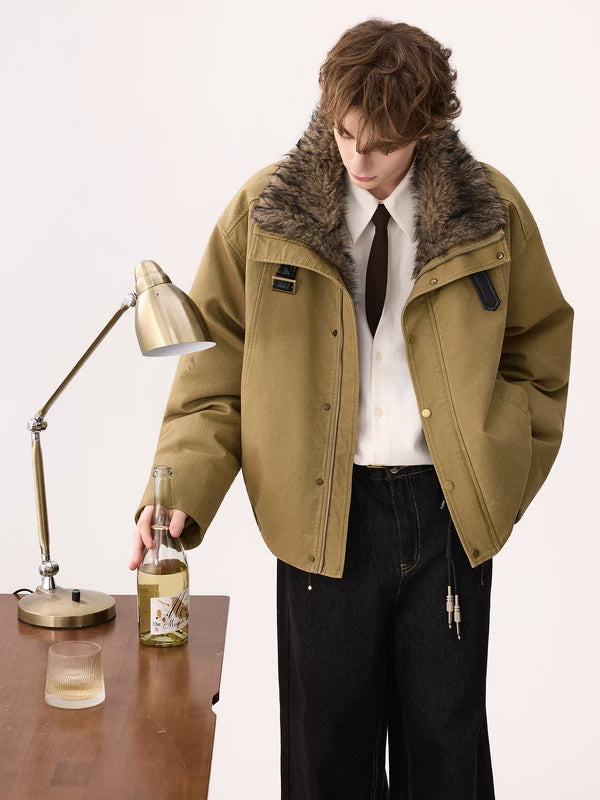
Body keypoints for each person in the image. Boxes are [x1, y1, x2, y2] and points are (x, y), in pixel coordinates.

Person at [130, 18, 574, 799]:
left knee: (447, 754)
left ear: (426, 128)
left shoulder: (491, 213)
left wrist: (496, 473)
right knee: (324, 755)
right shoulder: (265, 215)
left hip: (446, 520)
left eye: (384, 145)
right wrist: (179, 489)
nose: (359, 160)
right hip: (318, 516)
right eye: (344, 135)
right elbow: (215, 365)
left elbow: (539, 351)